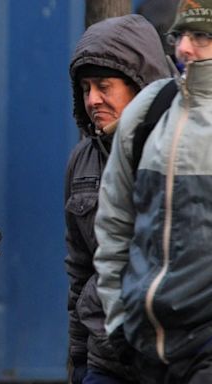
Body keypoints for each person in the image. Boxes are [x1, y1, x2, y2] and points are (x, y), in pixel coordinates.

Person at [94, 0, 212, 383]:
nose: (185, 47)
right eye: (181, 34)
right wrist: (119, 319)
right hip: (146, 344)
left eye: (203, 36)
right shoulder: (150, 109)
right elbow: (114, 224)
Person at [65, 14, 170, 384]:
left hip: (170, 355)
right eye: (85, 88)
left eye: (105, 87)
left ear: (139, 86)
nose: (93, 100)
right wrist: (78, 360)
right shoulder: (83, 159)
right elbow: (80, 270)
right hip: (104, 360)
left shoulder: (175, 150)